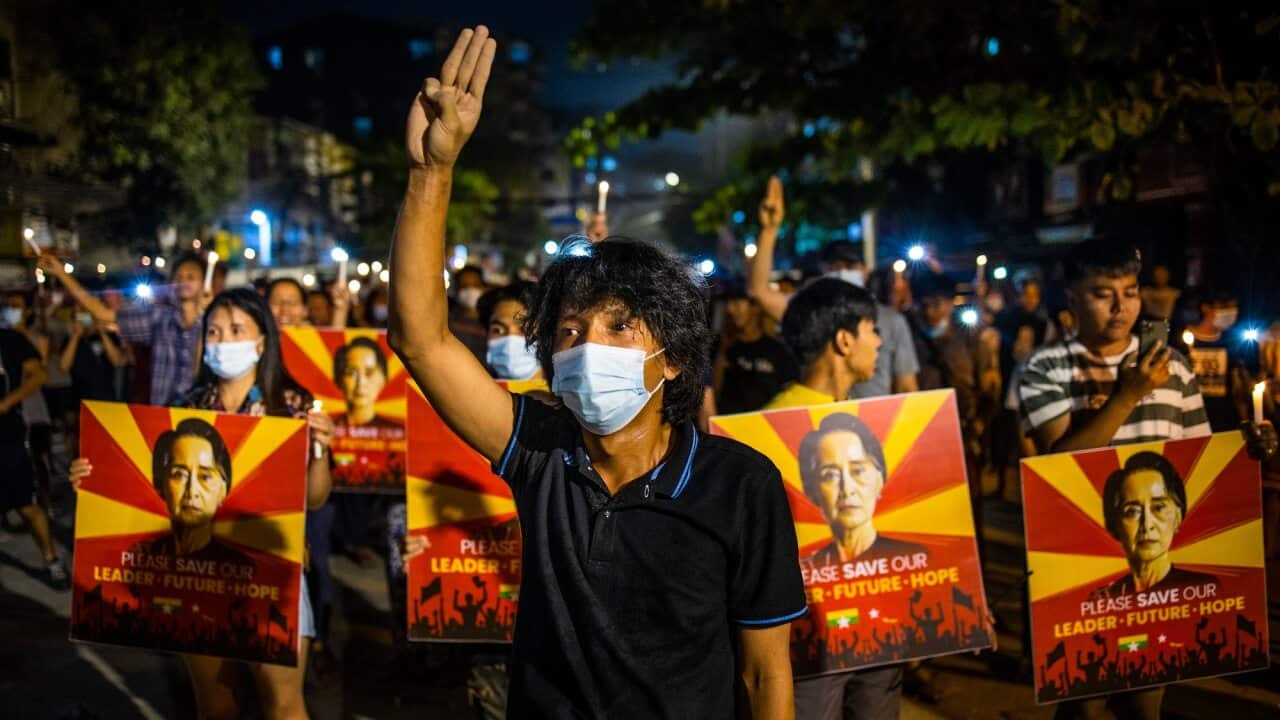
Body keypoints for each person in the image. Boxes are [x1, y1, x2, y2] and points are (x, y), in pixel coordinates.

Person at [390, 27, 804, 718]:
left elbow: (765, 676)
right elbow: (421, 339)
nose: (588, 346)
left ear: (670, 360)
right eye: (571, 331)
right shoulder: (540, 450)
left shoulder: (741, 486)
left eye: (619, 327)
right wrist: (432, 172)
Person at [1018, 237, 1274, 720]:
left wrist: (1246, 452)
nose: (1121, 307)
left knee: (1145, 703)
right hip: (1081, 568)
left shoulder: (1174, 366)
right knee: (1084, 707)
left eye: (1130, 291)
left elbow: (1195, 463)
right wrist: (1126, 396)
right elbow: (1056, 468)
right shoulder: (1044, 368)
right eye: (1102, 293)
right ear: (1071, 300)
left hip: (1157, 576)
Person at [71, 288, 334, 719]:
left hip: (270, 573)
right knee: (214, 705)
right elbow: (144, 487)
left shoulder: (292, 406)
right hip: (199, 578)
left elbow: (316, 497)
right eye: (213, 331)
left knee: (283, 704)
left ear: (262, 340)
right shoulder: (186, 407)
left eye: (236, 330)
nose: (223, 341)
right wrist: (94, 479)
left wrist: (321, 449)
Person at [760, 277, 914, 720]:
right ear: (845, 341)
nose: (881, 341)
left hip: (875, 627)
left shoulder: (865, 418)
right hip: (810, 638)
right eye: (873, 329)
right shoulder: (774, 427)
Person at [747, 177, 918, 400]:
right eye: (834, 266)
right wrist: (769, 231)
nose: (877, 341)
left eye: (850, 265)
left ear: (865, 270)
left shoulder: (893, 321)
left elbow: (907, 387)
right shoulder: (814, 311)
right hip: (818, 421)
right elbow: (759, 291)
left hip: (874, 428)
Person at [39, 252, 207, 406]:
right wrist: (62, 274)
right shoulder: (158, 318)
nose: (184, 280)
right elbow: (102, 313)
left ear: (204, 282)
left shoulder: (214, 322)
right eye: (179, 276)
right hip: (164, 414)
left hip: (203, 414)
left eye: (191, 276)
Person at [799, 413, 927, 564]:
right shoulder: (808, 572)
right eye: (830, 475)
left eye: (858, 471)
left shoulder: (914, 559)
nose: (847, 489)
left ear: (879, 481)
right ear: (812, 492)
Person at [1089, 452, 1216, 599]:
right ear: (1114, 525)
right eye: (1132, 512)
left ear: (1177, 517)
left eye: (1159, 508)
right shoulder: (1104, 600)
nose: (1147, 524)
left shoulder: (1202, 590)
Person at [0, 315, 67, 589]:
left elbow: (39, 374)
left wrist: (6, 403)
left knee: (27, 506)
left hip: (7, 436)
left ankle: (52, 560)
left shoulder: (10, 340)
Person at [714, 286, 798, 415]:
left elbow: (789, 395)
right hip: (729, 426)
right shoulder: (722, 346)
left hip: (766, 426)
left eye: (737, 303)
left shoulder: (778, 350)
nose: (730, 309)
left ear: (756, 307)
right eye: (728, 304)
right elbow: (713, 392)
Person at [1181, 290, 1251, 431]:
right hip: (1189, 417)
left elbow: (1237, 389)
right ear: (1206, 307)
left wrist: (1244, 420)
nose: (1230, 313)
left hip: (1223, 419)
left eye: (1233, 308)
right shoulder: (1180, 340)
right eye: (1224, 307)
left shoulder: (1230, 343)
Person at [61, 306, 128, 403]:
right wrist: (75, 336)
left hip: (107, 397)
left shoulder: (108, 336)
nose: (83, 320)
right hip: (80, 398)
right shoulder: (70, 340)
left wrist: (102, 333)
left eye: (87, 315)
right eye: (79, 316)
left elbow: (117, 361)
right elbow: (64, 367)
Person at [477, 281, 541, 380]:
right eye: (497, 330)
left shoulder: (565, 394)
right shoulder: (472, 391)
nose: (510, 340)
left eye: (526, 329)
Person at [333, 337, 395, 428]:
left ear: (383, 378)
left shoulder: (394, 431)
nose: (361, 383)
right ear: (339, 379)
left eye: (369, 373)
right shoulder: (327, 430)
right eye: (351, 373)